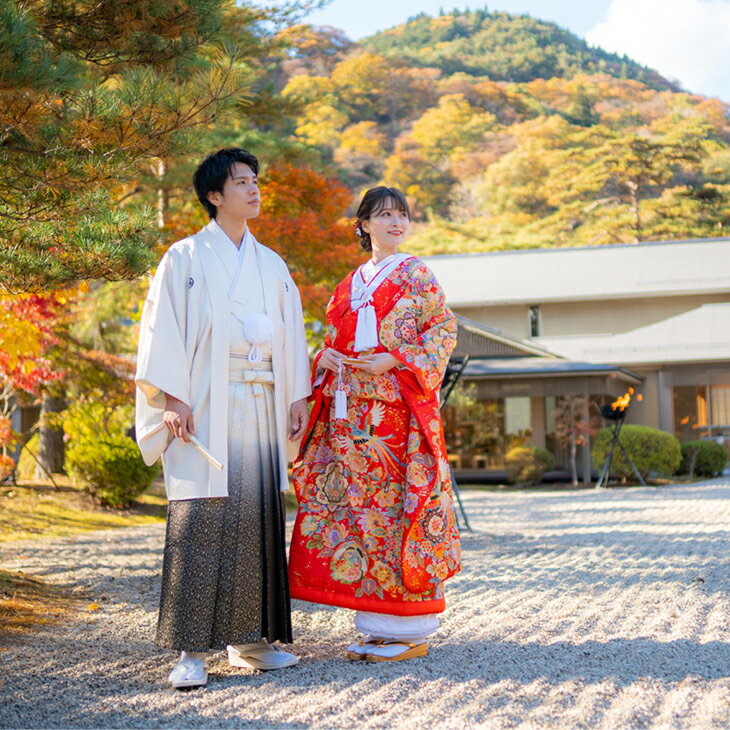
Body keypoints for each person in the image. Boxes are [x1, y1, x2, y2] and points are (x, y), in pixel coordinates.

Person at [134, 148, 311, 688]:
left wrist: (297, 396)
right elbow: (161, 330)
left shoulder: (272, 263)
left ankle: (249, 641)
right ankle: (190, 651)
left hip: (260, 398)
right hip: (205, 400)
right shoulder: (184, 257)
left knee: (255, 517)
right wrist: (172, 397)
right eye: (242, 182)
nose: (254, 189)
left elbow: (293, 333)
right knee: (202, 518)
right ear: (215, 195)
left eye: (256, 180)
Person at [288, 186, 461, 662]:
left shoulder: (416, 273)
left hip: (396, 414)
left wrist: (395, 359)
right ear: (363, 224)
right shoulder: (349, 284)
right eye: (384, 215)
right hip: (349, 414)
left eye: (401, 215)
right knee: (361, 513)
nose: (395, 223)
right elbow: (331, 335)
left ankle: (410, 629)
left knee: (397, 508)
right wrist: (324, 356)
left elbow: (443, 330)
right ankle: (374, 625)